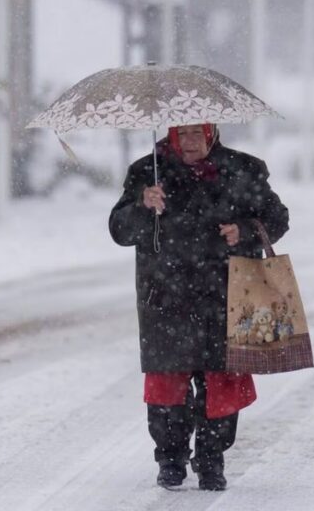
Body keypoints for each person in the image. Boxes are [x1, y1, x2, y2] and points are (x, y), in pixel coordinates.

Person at [109, 123, 289, 491]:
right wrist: (144, 205)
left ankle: (211, 460)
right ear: (170, 136)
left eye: (198, 133)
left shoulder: (243, 169)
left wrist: (245, 230)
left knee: (221, 381)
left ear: (212, 133)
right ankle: (170, 459)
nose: (190, 142)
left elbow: (278, 218)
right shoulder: (147, 171)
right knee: (166, 383)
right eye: (182, 134)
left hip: (225, 295)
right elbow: (119, 230)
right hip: (165, 297)